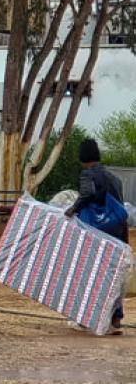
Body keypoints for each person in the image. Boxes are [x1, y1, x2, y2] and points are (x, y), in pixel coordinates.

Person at [66, 138, 127, 335]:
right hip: (117, 232)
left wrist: (72, 209)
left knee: (90, 273)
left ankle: (86, 319)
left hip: (96, 232)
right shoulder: (113, 177)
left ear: (82, 157)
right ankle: (116, 317)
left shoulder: (87, 174)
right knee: (113, 274)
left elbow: (86, 194)